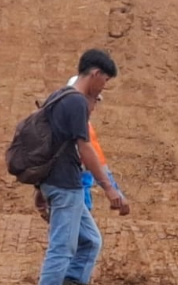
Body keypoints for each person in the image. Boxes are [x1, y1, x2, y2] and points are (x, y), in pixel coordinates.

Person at [35, 49, 126, 285]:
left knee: (90, 240)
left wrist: (39, 187)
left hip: (58, 180)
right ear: (95, 74)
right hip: (66, 183)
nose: (104, 87)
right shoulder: (75, 102)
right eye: (105, 80)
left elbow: (49, 145)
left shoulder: (58, 97)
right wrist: (109, 189)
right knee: (63, 244)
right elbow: (85, 148)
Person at [36, 75, 126, 233]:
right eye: (94, 100)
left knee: (80, 241)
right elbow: (99, 163)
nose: (95, 105)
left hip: (59, 193)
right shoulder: (83, 127)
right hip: (73, 194)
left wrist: (39, 192)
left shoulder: (55, 121)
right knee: (79, 243)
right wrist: (114, 191)